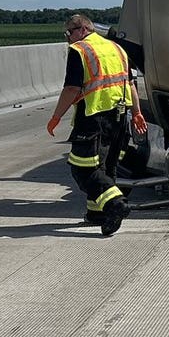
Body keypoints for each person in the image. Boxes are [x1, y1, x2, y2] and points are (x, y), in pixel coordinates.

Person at [46, 14, 148, 235]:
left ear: (82, 29)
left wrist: (56, 117)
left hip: (94, 118)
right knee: (106, 168)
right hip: (120, 118)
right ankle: (98, 214)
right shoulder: (117, 49)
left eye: (69, 33)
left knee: (83, 169)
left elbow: (72, 89)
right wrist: (137, 112)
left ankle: (114, 204)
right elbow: (130, 83)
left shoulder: (80, 51)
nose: (68, 39)